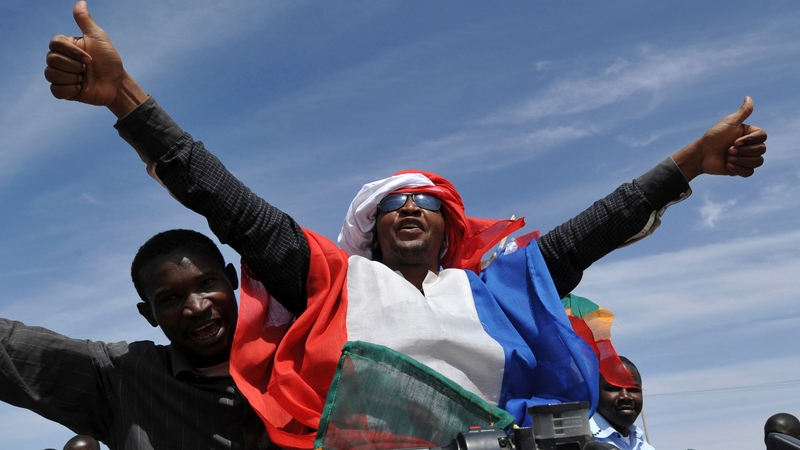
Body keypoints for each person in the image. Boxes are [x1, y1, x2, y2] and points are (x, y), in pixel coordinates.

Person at [45, 2, 767, 448]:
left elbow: (601, 224)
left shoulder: (502, 289)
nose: (410, 209)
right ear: (373, 230)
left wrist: (692, 163)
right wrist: (127, 101)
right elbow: (224, 199)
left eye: (426, 202)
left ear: (449, 227)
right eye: (392, 205)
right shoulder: (334, 281)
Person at [0, 229, 273, 449]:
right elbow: (11, 348)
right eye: (170, 298)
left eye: (207, 283)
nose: (196, 307)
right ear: (148, 314)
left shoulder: (297, 357)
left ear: (232, 278)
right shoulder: (122, 378)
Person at [590, 356, 654, 450]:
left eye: (633, 389)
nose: (626, 397)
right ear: (595, 393)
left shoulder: (643, 446)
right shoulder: (580, 441)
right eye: (613, 388)